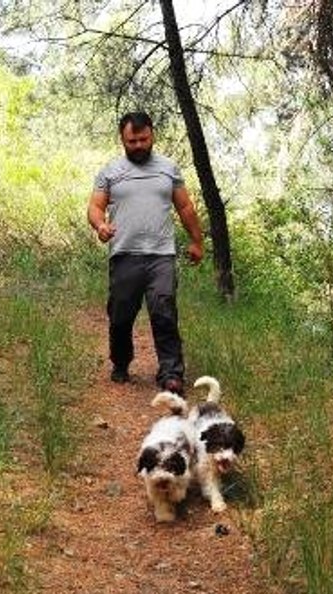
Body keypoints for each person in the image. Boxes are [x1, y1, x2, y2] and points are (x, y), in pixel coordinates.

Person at [87, 111, 204, 396]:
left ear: (152, 135)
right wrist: (101, 225)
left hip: (161, 255)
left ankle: (171, 374)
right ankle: (121, 363)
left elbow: (185, 207)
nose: (138, 145)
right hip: (125, 254)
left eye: (143, 139)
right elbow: (95, 207)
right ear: (122, 139)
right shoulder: (111, 171)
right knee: (120, 315)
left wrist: (196, 241)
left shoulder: (168, 169)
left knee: (164, 312)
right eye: (132, 141)